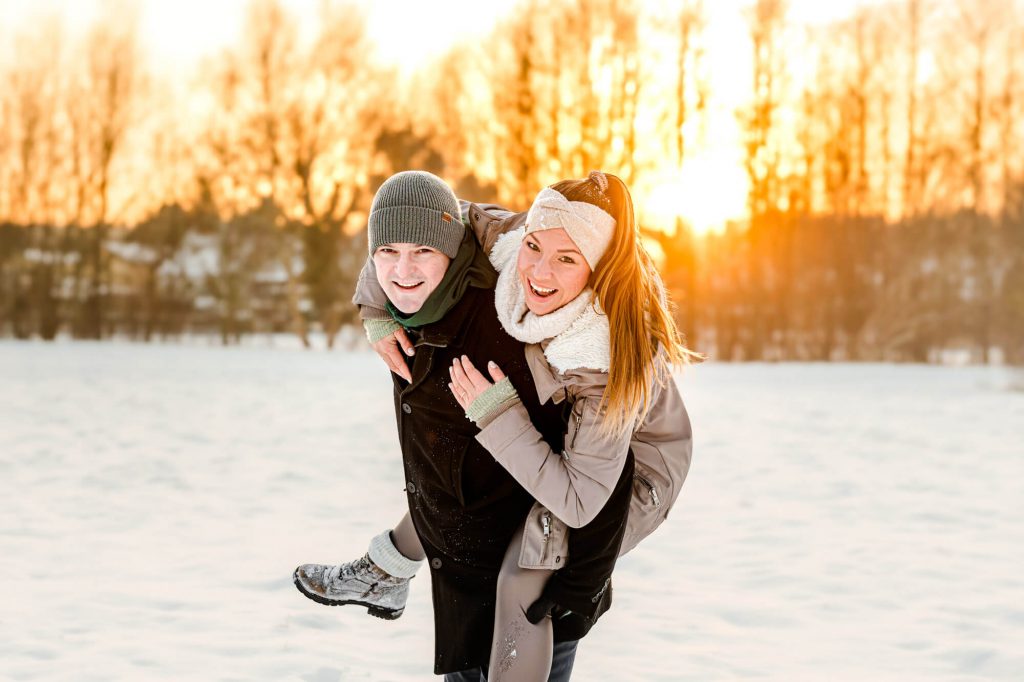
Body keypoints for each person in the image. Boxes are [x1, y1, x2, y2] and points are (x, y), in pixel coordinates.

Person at [294, 171, 636, 680]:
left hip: (619, 483)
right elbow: (436, 217)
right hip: (542, 485)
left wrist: (584, 584)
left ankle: (393, 568)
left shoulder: (600, 357)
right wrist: (374, 307)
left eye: (567, 259)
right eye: (536, 249)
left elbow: (597, 493)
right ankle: (387, 566)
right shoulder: (506, 250)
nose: (540, 270)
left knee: (528, 588)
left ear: (598, 268)